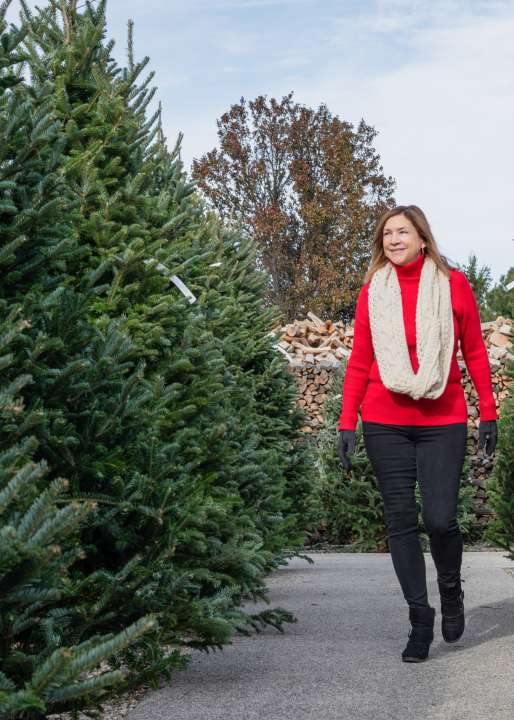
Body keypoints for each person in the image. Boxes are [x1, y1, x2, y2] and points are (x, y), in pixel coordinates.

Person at [336, 204, 498, 663]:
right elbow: (360, 361)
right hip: (385, 421)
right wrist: (348, 422)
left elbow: (476, 352)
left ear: (422, 239)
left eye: (402, 232)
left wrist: (488, 411)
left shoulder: (452, 285)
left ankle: (450, 589)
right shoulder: (373, 291)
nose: (393, 239)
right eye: (387, 233)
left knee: (441, 520)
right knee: (401, 524)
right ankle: (419, 620)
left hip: (442, 419)